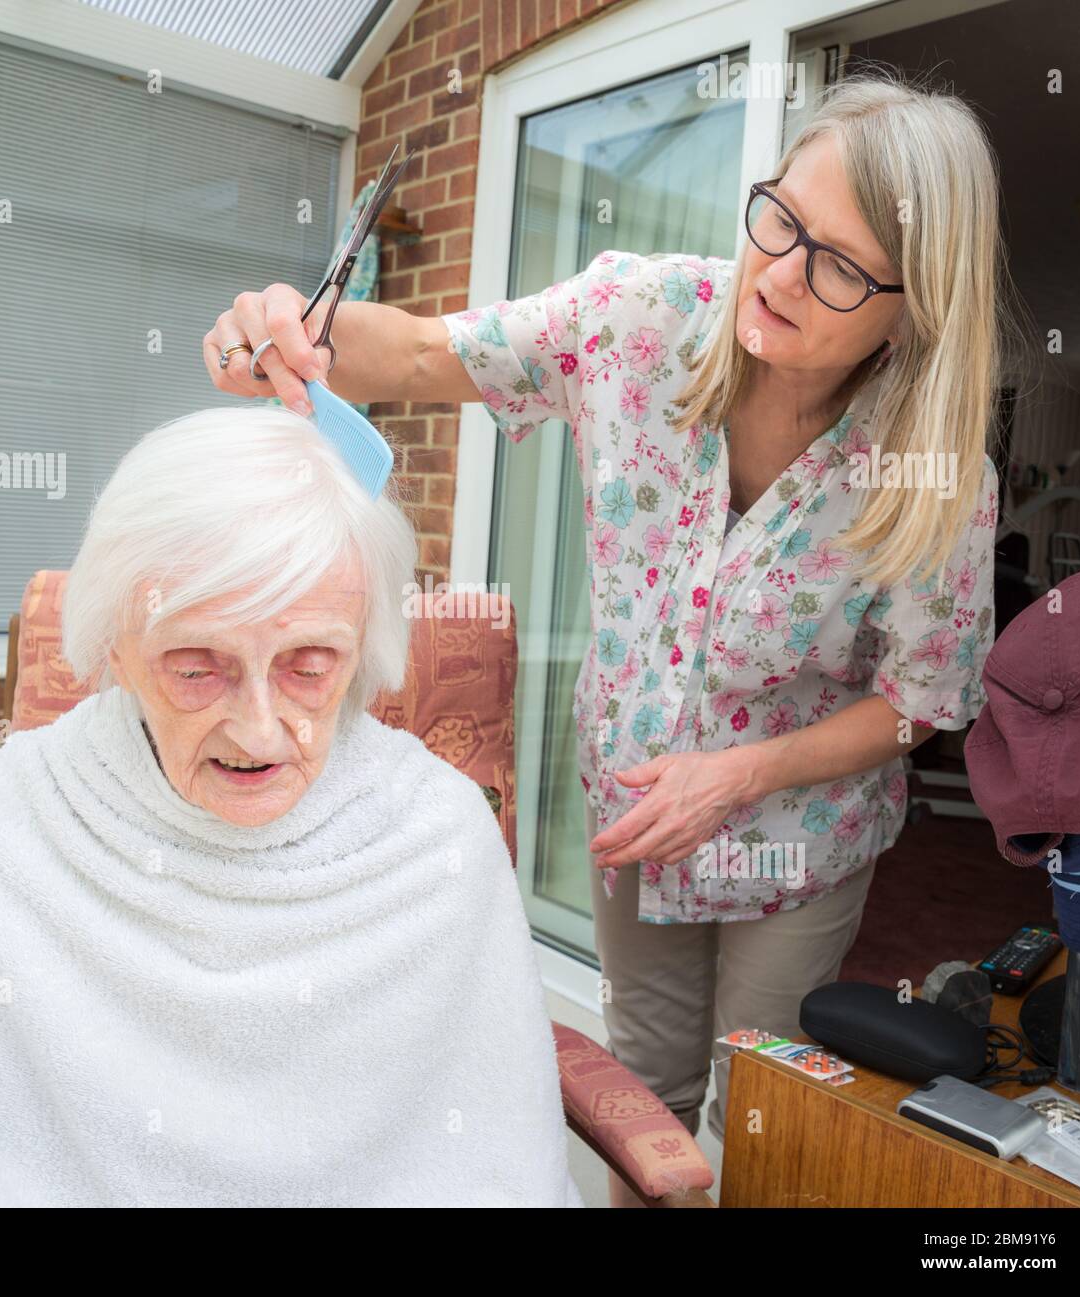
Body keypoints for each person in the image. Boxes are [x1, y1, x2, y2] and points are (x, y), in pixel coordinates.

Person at [204, 72, 1008, 1207]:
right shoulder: (640, 316)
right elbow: (428, 356)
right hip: (633, 802)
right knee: (644, 1087)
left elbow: (925, 695)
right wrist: (298, 330)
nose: (774, 274)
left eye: (834, 262)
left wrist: (741, 774)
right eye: (778, 218)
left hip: (797, 839)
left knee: (756, 1106)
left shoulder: (936, 478)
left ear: (916, 302)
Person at [0, 406, 583, 1208]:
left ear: (364, 649)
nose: (257, 728)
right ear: (115, 647)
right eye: (194, 667)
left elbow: (495, 1163)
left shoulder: (439, 835)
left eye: (309, 666)